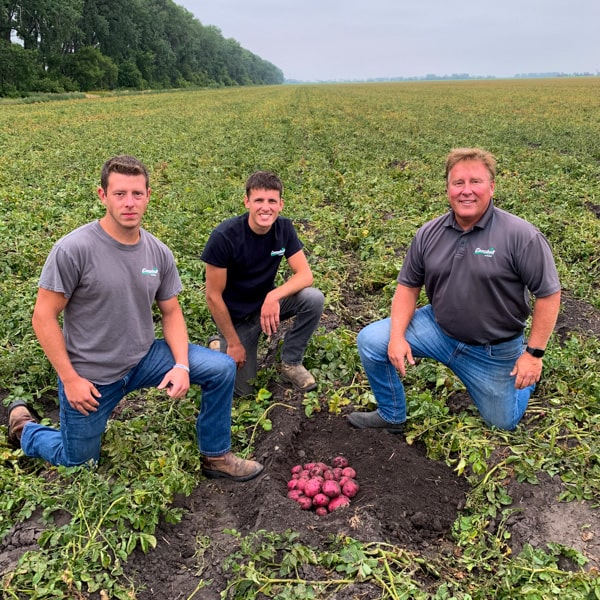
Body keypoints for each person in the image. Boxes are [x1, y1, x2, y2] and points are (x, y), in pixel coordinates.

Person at [7, 155, 263, 482]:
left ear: (148, 196)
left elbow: (171, 312)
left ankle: (216, 456)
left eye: (137, 194)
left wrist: (182, 366)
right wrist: (70, 379)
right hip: (92, 374)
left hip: (144, 358)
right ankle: (25, 429)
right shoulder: (74, 249)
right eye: (120, 194)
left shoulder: (158, 253)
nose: (129, 203)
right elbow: (43, 317)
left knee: (220, 367)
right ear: (103, 196)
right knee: (78, 462)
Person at [349, 147, 561, 432]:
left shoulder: (520, 236)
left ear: (492, 186)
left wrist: (534, 355)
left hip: (492, 351)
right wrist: (397, 337)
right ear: (448, 188)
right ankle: (391, 415)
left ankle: (524, 381)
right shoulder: (429, 233)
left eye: (476, 182)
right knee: (372, 340)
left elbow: (548, 294)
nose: (466, 191)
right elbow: (408, 286)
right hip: (438, 330)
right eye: (458, 183)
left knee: (502, 422)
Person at [201, 170, 324, 397]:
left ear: (281, 204)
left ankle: (291, 363)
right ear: (247, 201)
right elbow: (213, 296)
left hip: (265, 308)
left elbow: (305, 275)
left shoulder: (284, 228)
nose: (265, 207)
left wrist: (273, 296)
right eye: (258, 200)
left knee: (313, 299)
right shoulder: (224, 236)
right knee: (244, 392)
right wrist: (233, 342)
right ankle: (220, 343)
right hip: (235, 320)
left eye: (271, 201)